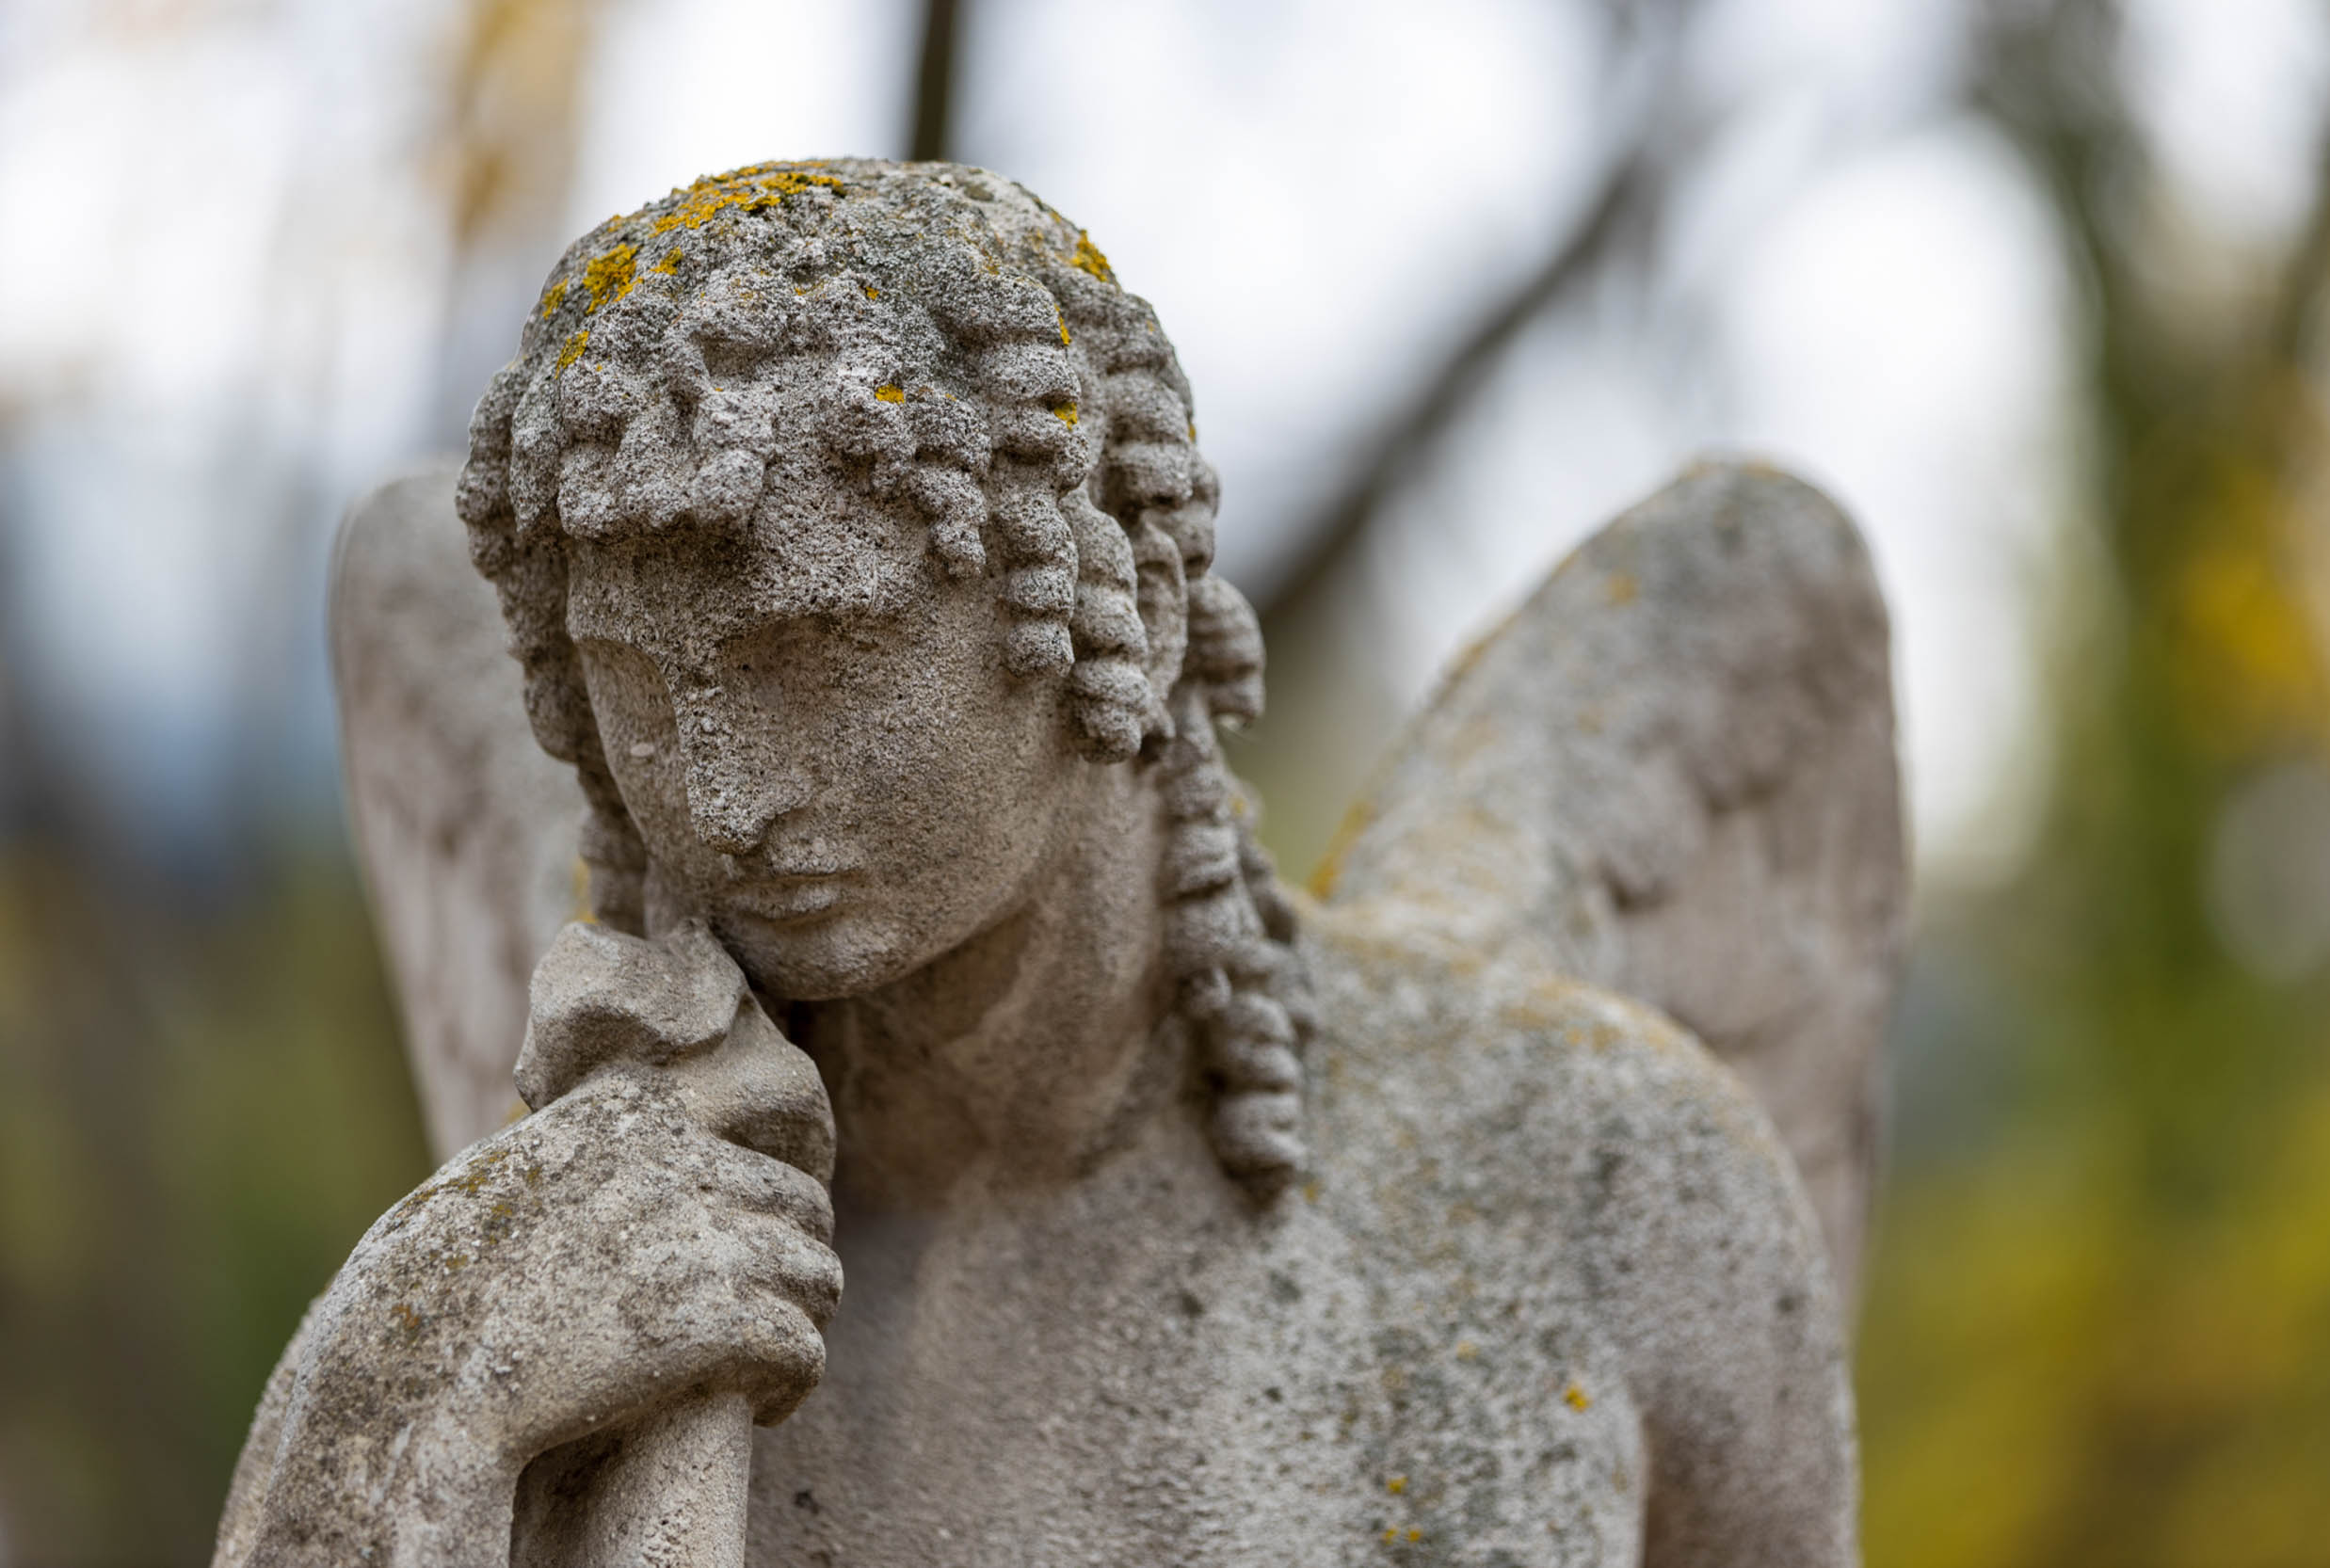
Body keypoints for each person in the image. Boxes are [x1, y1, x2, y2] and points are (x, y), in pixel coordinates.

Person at [216, 160, 1861, 1565]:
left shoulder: (1601, 1178)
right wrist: (414, 1375)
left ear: (1121, 606)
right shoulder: (603, 1216)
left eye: (820, 653)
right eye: (642, 690)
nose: (719, 798)